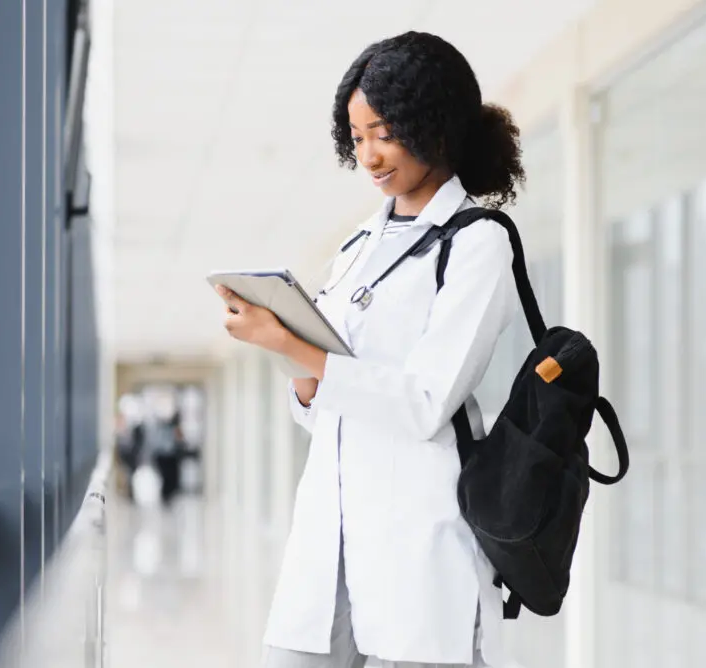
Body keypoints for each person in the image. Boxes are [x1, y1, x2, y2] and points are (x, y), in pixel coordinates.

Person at [212, 31, 525, 668]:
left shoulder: (477, 242)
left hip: (419, 544)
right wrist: (294, 364)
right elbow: (322, 409)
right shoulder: (358, 246)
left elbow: (426, 402)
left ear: (433, 124)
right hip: (328, 543)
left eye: (384, 132)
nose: (370, 156)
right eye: (356, 139)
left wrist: (296, 348)